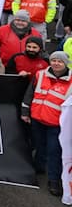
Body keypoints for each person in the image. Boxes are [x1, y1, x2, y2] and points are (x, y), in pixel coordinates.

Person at [22, 51, 72, 196]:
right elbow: (29, 94)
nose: (56, 63)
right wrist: (25, 112)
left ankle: (54, 180)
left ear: (65, 63)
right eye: (54, 60)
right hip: (37, 119)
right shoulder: (40, 75)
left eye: (60, 61)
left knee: (54, 152)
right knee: (38, 145)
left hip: (57, 124)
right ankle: (38, 169)